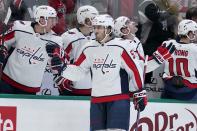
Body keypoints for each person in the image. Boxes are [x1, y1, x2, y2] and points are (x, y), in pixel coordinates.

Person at [48, 14, 147, 131]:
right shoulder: (89, 48)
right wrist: (63, 69)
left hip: (118, 100)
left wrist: (139, 92)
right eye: (95, 27)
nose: (95, 30)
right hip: (96, 100)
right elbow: (79, 71)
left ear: (109, 29)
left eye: (99, 27)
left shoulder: (122, 46)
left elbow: (134, 70)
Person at [0, 5, 63, 95]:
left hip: (30, 89)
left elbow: (55, 67)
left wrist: (56, 61)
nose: (55, 23)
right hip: (7, 81)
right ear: (42, 20)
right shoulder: (19, 27)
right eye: (52, 20)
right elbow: (4, 41)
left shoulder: (56, 40)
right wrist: (3, 49)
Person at [55, 5, 99, 96]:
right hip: (75, 87)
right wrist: (63, 78)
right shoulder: (68, 37)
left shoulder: (99, 36)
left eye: (95, 19)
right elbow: (60, 59)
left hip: (96, 89)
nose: (94, 22)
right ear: (82, 20)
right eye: (90, 19)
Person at [161, 19, 197, 101]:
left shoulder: (167, 44)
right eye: (195, 31)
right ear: (190, 33)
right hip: (190, 91)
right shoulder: (194, 48)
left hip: (169, 88)